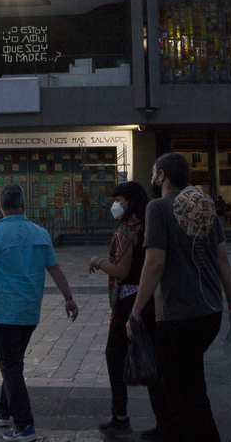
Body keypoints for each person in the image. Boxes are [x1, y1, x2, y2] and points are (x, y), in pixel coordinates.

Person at [130, 153, 231, 442]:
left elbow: (154, 263)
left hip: (177, 315)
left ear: (163, 175)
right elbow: (223, 261)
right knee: (192, 385)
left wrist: (135, 310)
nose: (152, 178)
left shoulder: (157, 208)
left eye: (155, 172)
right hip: (210, 311)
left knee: (185, 397)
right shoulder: (206, 207)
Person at [0, 183, 78, 442]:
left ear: (0, 206)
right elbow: (54, 269)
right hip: (30, 312)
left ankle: (24, 425)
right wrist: (68, 298)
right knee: (14, 362)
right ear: (22, 204)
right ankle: (2, 408)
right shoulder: (40, 233)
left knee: (10, 365)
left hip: (4, 313)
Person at [88, 181, 162, 439]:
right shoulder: (146, 224)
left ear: (130, 201)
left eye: (119, 200)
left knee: (114, 355)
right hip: (151, 298)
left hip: (129, 301)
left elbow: (122, 271)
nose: (115, 205)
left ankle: (119, 416)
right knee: (152, 357)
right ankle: (163, 420)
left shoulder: (126, 230)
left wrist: (98, 262)